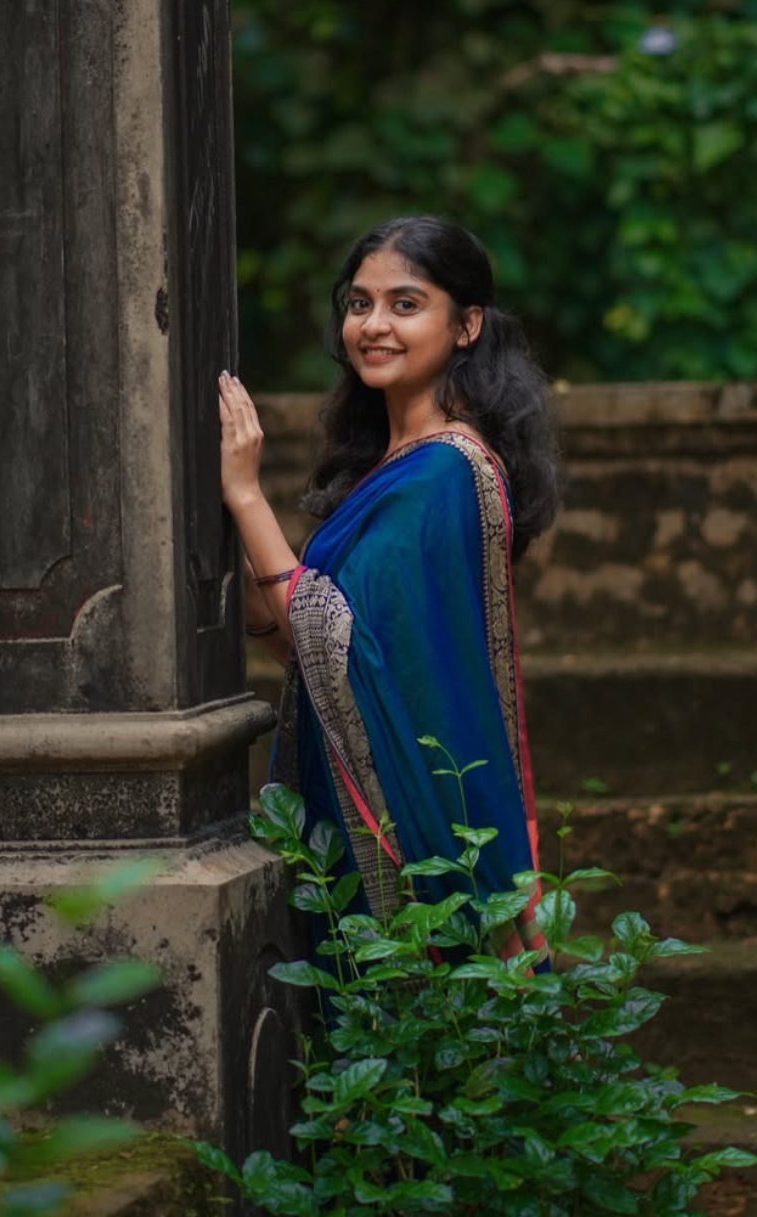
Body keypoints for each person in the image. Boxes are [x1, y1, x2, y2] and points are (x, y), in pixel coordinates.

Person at [219, 215, 561, 965]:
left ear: (466, 325)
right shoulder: (388, 463)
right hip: (347, 797)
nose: (373, 325)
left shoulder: (444, 471)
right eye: (359, 303)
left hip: (405, 820)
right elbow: (337, 662)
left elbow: (330, 639)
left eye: (406, 304)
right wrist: (253, 604)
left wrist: (245, 497)